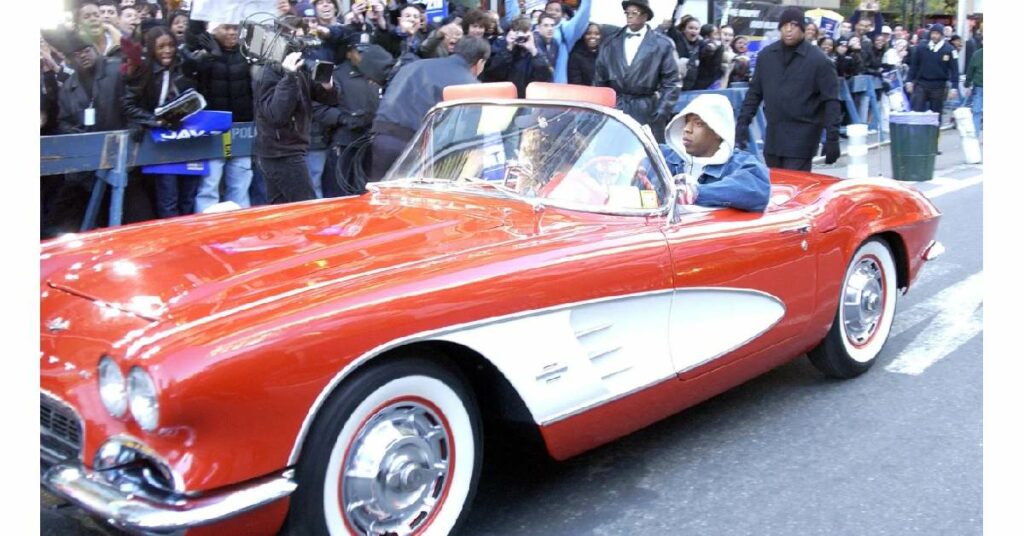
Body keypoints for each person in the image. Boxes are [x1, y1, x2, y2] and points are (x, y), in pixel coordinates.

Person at [369, 37, 490, 181]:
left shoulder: (415, 65)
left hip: (382, 137)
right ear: (480, 63)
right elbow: (466, 134)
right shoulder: (470, 85)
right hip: (417, 149)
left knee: (377, 195)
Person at [735, 7, 841, 171]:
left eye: (794, 25)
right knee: (775, 187)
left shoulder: (819, 61)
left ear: (803, 29)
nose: (789, 29)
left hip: (803, 136)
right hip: (774, 135)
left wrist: (832, 138)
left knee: (794, 187)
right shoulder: (767, 56)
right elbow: (754, 94)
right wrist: (742, 124)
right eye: (784, 25)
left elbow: (831, 100)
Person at [252, 16, 340, 205]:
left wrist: (327, 84)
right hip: (280, 153)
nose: (300, 47)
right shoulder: (268, 73)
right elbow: (277, 115)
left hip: (290, 149)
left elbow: (329, 99)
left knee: (281, 211)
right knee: (307, 209)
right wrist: (290, 77)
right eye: (295, 41)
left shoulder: (301, 68)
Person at [123, 26, 202, 218]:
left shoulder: (183, 68)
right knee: (169, 199)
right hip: (161, 141)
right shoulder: (144, 72)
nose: (167, 50)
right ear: (152, 49)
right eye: (161, 47)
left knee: (188, 199)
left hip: (188, 139)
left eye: (171, 45)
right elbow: (128, 105)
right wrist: (155, 121)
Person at [660, 94, 770, 212]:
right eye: (686, 122)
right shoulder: (664, 156)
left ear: (718, 130)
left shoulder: (741, 164)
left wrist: (695, 193)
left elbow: (757, 191)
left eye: (698, 124)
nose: (687, 129)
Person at [314, 40, 393, 196]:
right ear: (349, 53)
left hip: (372, 140)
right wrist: (343, 118)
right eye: (359, 52)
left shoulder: (376, 73)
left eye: (366, 52)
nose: (362, 57)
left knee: (369, 191)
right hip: (345, 142)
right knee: (342, 191)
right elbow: (318, 107)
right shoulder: (336, 75)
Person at [190, 22, 255, 213]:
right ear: (214, 30)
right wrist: (210, 55)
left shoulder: (247, 52)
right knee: (209, 186)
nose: (232, 32)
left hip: (241, 128)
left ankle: (241, 232)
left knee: (241, 184)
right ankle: (205, 229)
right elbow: (191, 70)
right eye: (226, 28)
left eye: (235, 28)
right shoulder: (204, 51)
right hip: (212, 129)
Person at [502, 0, 592, 84]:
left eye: (557, 10)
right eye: (550, 9)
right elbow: (513, 18)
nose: (553, 12)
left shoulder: (565, 31)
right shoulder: (531, 29)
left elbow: (582, 18)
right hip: (530, 86)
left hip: (556, 89)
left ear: (563, 14)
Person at [482, 16, 553, 97]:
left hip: (526, 99)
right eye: (517, 31)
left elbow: (544, 78)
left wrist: (533, 51)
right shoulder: (499, 44)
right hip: (503, 98)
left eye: (524, 31)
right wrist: (508, 49)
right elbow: (492, 73)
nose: (520, 36)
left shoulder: (535, 48)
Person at [905, 24, 958, 125]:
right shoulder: (921, 47)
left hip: (939, 85)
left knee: (936, 114)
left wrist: (954, 88)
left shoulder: (949, 50)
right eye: (933, 33)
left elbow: (955, 70)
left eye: (937, 34)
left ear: (942, 35)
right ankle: (916, 136)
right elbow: (914, 66)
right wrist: (909, 81)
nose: (934, 36)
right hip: (922, 83)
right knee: (917, 111)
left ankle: (933, 137)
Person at [667, 15, 702, 90]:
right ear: (683, 29)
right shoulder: (678, 38)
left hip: (691, 85)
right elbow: (671, 27)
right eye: (691, 28)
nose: (694, 31)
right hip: (675, 83)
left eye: (696, 29)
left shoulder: (700, 44)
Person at [694, 24, 724, 90]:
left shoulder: (720, 46)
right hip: (703, 85)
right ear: (706, 37)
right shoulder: (703, 47)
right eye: (715, 34)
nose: (719, 37)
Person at [964, 45, 982, 135]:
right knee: (976, 111)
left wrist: (967, 84)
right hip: (979, 86)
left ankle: (975, 135)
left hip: (979, 86)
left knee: (976, 111)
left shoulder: (977, 54)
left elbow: (970, 70)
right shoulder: (977, 54)